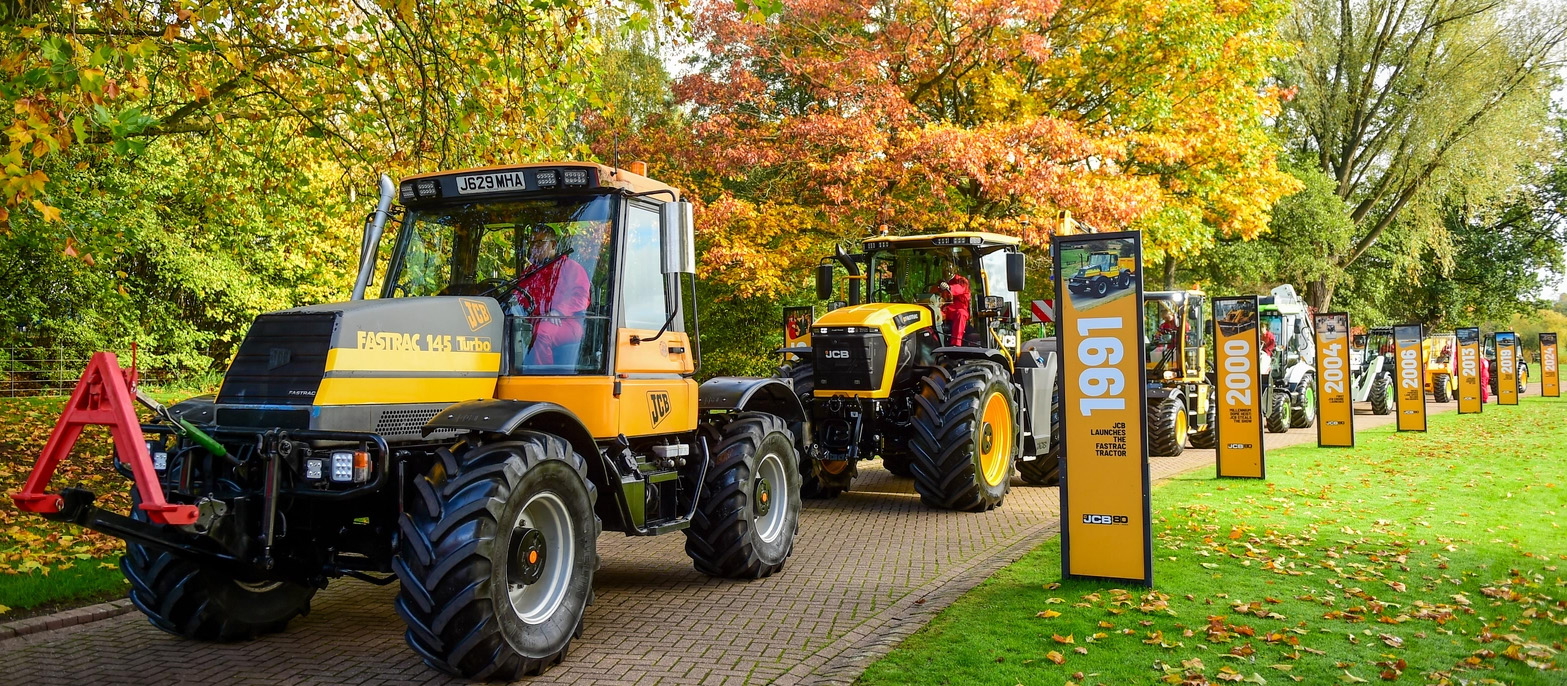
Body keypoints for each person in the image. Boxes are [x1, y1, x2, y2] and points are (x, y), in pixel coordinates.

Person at [516, 226, 590, 366]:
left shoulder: (570, 267)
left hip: (567, 322)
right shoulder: (529, 272)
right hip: (533, 321)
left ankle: (541, 379)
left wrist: (559, 311)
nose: (534, 248)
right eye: (532, 243)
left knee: (542, 333)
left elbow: (582, 297)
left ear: (553, 245)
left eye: (539, 242)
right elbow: (517, 296)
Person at [932, 259, 971, 346]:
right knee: (930, 313)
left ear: (955, 268)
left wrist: (948, 287)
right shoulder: (940, 282)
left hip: (957, 310)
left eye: (949, 266)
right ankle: (933, 342)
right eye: (944, 266)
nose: (947, 268)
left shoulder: (961, 281)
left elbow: (959, 289)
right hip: (943, 310)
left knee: (961, 314)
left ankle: (956, 344)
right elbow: (932, 293)